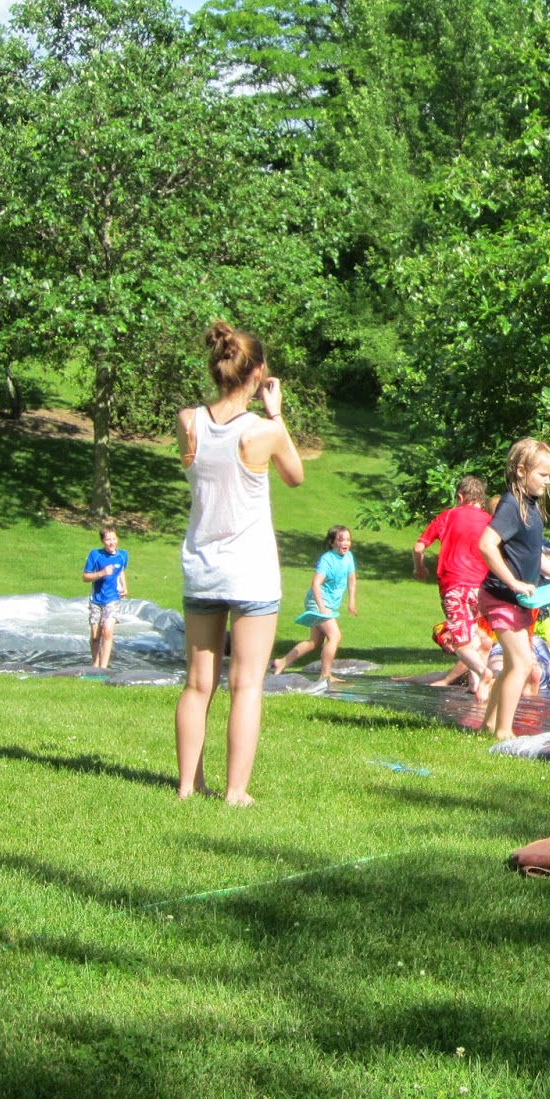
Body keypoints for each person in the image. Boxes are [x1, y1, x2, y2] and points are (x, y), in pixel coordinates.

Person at [175, 321, 304, 806]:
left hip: (201, 565)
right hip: (250, 570)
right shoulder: (264, 432)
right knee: (246, 683)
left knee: (196, 682)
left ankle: (188, 786)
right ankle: (235, 793)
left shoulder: (188, 420)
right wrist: (277, 416)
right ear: (260, 372)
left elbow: (194, 464)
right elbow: (295, 477)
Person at [477, 439, 550, 740]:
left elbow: (531, 555)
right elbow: (486, 545)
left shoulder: (530, 508)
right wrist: (513, 581)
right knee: (521, 664)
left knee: (511, 666)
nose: (548, 481)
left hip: (518, 601)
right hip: (501, 597)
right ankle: (504, 733)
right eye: (543, 475)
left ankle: (490, 725)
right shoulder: (511, 505)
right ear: (522, 470)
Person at [414, 476, 493, 698]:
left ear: (460, 497)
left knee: (461, 642)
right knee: (475, 636)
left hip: (454, 587)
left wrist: (419, 568)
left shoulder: (448, 516)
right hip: (481, 590)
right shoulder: (489, 521)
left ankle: (482, 671)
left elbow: (419, 547)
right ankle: (475, 686)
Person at [271, 525, 357, 683]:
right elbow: (315, 584)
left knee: (314, 642)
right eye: (341, 539)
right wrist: (322, 607)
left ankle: (282, 662)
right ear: (332, 543)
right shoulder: (327, 560)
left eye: (348, 539)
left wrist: (351, 600)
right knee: (335, 636)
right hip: (318, 603)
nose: (345, 542)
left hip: (328, 605)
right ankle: (325, 675)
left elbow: (351, 579)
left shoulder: (348, 557)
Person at [82, 524, 129, 669]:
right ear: (103, 541)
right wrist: (101, 573)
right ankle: (95, 664)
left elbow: (121, 570)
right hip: (96, 599)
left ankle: (103, 667)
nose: (111, 542)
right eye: (108, 539)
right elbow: (85, 577)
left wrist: (124, 586)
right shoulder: (95, 555)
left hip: (113, 598)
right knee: (96, 636)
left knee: (107, 630)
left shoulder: (123, 555)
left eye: (114, 539)